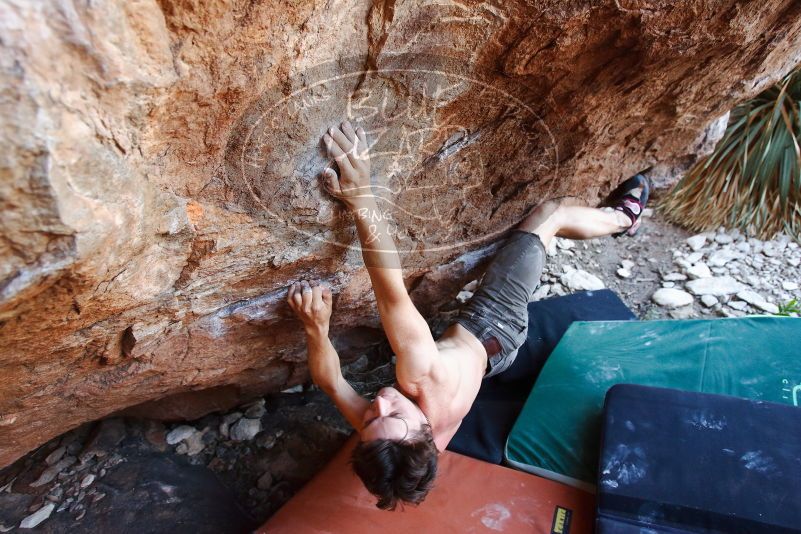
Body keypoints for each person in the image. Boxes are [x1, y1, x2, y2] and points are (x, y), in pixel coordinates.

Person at [286, 121, 649, 510]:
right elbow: (388, 287)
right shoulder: (421, 376)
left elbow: (331, 383)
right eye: (391, 414)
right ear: (426, 433)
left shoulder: (395, 434)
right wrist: (362, 200)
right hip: (497, 324)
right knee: (551, 214)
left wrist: (315, 330)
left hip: (483, 361)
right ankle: (626, 217)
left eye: (372, 422)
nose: (379, 405)